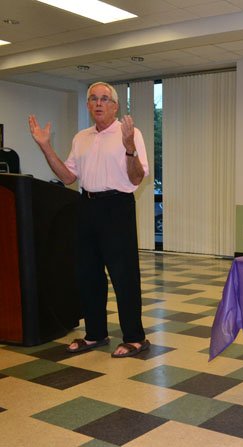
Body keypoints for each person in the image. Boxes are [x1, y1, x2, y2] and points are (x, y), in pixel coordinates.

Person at [28, 81, 150, 358]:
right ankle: (95, 334)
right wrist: (46, 147)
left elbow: (136, 178)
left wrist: (129, 148)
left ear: (115, 106)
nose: (98, 103)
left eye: (105, 99)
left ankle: (135, 337)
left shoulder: (130, 133)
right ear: (87, 105)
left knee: (123, 275)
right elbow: (69, 176)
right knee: (87, 274)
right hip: (85, 205)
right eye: (93, 98)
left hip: (116, 206)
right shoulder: (80, 137)